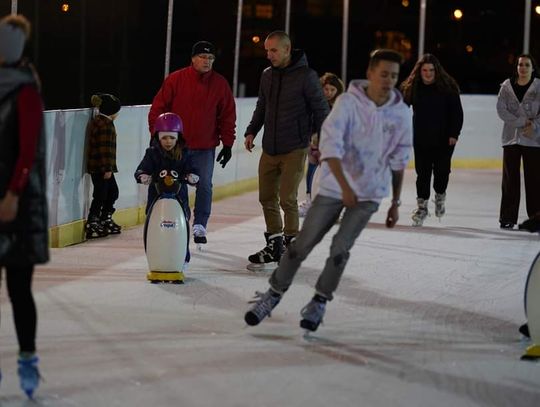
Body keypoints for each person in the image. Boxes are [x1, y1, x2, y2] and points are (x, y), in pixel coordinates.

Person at [244, 49, 413, 331]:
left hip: (368, 194)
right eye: (383, 74)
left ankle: (319, 302)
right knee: (301, 246)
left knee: (339, 250)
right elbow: (331, 148)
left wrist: (395, 201)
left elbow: (399, 158)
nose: (388, 80)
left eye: (394, 76)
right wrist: (345, 187)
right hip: (335, 187)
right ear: (370, 73)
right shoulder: (347, 104)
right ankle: (272, 295)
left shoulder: (400, 113)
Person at [244, 31, 329, 270]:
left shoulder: (307, 77)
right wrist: (251, 131)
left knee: (287, 199)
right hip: (270, 147)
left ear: (287, 49)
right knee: (266, 198)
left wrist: (325, 140)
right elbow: (262, 106)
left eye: (273, 50)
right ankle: (274, 245)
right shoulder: (267, 76)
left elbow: (321, 110)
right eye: (267, 50)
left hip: (295, 146)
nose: (269, 55)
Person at [0, 14, 48, 398]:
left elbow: (27, 150)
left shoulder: (26, 90)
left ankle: (27, 358)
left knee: (18, 289)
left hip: (18, 204)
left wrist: (13, 195)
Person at [148, 41, 236, 248]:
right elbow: (158, 109)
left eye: (211, 58)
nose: (207, 61)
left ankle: (200, 224)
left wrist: (228, 143)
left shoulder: (220, 84)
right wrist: (157, 135)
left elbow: (227, 115)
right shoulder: (176, 80)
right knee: (177, 184)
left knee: (204, 183)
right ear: (193, 59)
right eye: (203, 57)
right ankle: (183, 219)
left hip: (205, 146)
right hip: (178, 147)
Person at [400, 54, 463, 227]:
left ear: (437, 71)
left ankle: (440, 196)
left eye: (431, 70)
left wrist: (454, 134)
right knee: (423, 174)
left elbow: (457, 113)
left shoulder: (448, 88)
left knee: (442, 172)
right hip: (421, 139)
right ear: (419, 72)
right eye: (424, 70)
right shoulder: (413, 87)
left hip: (444, 140)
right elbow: (399, 109)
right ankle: (422, 209)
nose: (428, 74)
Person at [135, 112, 198, 272]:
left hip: (179, 197)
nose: (168, 141)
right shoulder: (152, 153)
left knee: (181, 226)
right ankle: (155, 256)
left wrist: (193, 177)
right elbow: (142, 169)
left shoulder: (185, 153)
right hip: (156, 197)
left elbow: (193, 169)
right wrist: (142, 175)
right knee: (153, 226)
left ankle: (183, 256)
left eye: (171, 137)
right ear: (158, 137)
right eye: (164, 138)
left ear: (178, 137)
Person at [496, 53, 540, 229]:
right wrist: (523, 122)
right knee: (509, 180)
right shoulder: (506, 87)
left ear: (533, 68)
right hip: (511, 139)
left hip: (534, 140)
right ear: (516, 68)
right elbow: (501, 110)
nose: (523, 68)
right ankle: (507, 217)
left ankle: (536, 217)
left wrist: (535, 126)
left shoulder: (539, 87)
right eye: (520, 65)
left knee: (535, 180)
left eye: (527, 65)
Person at [298, 72, 345, 217]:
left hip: (334, 147)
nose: (329, 93)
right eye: (326, 89)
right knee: (312, 170)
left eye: (332, 90)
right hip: (315, 145)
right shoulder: (314, 103)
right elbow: (309, 121)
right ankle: (310, 200)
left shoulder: (341, 106)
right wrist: (312, 138)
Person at [85, 93, 122, 239]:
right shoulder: (105, 125)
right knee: (101, 194)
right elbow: (104, 148)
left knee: (112, 192)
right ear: (112, 112)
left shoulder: (101, 121)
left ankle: (104, 217)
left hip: (101, 167)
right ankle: (93, 220)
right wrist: (107, 168)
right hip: (101, 168)